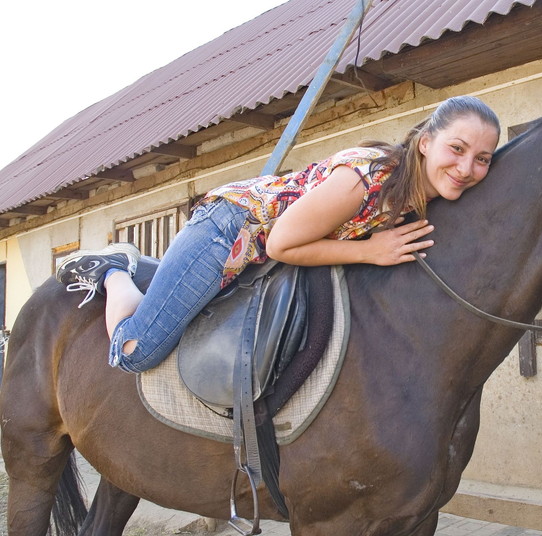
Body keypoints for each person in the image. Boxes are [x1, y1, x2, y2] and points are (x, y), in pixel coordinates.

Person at [56, 95, 500, 373]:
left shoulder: (422, 194)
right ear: (426, 142)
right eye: (456, 149)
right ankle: (113, 268)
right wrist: (370, 252)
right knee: (136, 352)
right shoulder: (366, 178)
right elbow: (281, 243)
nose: (466, 169)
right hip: (229, 230)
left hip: (257, 252)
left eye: (483, 159)